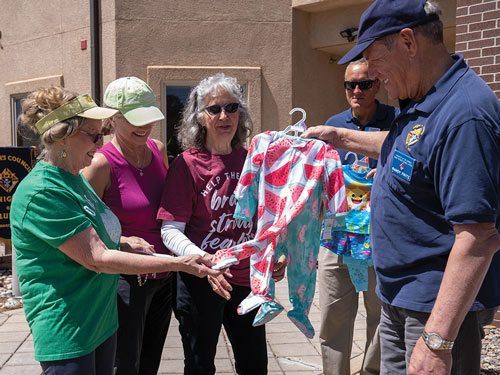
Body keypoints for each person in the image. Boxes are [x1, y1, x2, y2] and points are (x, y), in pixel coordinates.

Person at [302, 1, 500, 374]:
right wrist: (339, 137)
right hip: (398, 298)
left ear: (408, 42)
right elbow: (406, 149)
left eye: (374, 59)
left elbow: (478, 237)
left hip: (430, 309)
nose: (372, 75)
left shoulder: (465, 115)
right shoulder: (424, 99)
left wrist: (437, 342)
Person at [10, 87, 221, 375]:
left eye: (101, 134)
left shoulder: (73, 178)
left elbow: (90, 237)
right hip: (69, 328)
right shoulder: (43, 191)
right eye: (94, 135)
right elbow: (95, 257)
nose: (100, 142)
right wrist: (178, 263)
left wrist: (121, 241)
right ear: (63, 136)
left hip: (101, 320)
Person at [157, 73, 286, 375]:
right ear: (200, 118)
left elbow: (266, 221)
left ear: (241, 113)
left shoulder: (253, 161)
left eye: (231, 107)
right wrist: (206, 261)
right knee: (200, 365)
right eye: (214, 109)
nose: (224, 115)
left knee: (255, 364)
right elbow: (170, 231)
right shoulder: (187, 164)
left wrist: (275, 252)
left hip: (246, 281)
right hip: (201, 280)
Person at [82, 77, 171, 375]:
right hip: (125, 279)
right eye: (136, 119)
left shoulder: (158, 150)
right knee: (125, 363)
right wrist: (121, 239)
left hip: (164, 273)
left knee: (150, 362)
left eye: (149, 117)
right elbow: (82, 228)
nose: (145, 127)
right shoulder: (100, 165)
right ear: (114, 118)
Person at [318, 57, 397, 375]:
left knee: (382, 316)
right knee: (333, 316)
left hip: (382, 236)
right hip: (338, 234)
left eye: (364, 83)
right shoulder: (334, 124)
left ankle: (371, 372)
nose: (357, 90)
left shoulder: (396, 121)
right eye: (351, 84)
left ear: (377, 85)